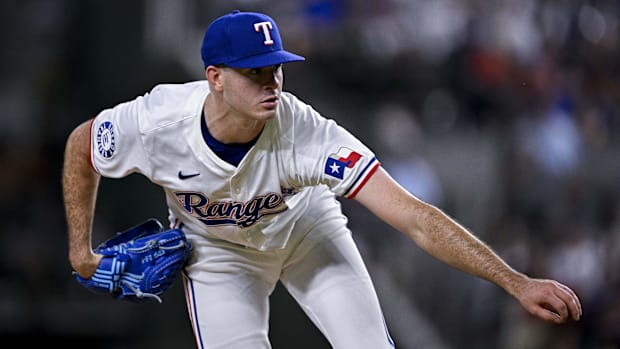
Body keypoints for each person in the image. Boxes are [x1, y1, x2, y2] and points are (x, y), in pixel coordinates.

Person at [62, 10, 582, 349]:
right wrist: (81, 252)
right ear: (215, 77)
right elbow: (81, 145)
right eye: (254, 72)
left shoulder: (306, 132)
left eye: (275, 68)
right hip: (220, 258)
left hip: (307, 233)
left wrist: (515, 280)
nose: (271, 83)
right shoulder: (158, 123)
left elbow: (415, 218)